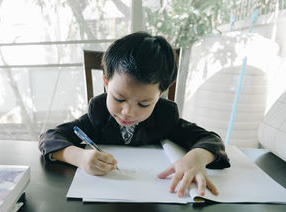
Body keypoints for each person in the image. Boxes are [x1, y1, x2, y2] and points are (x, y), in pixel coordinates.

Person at [39, 32, 230, 197]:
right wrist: (78, 157)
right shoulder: (98, 114)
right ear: (106, 82)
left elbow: (210, 139)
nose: (128, 112)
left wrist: (197, 158)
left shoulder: (165, 117)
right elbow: (49, 138)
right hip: (103, 196)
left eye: (144, 103)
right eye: (119, 99)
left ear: (160, 93)